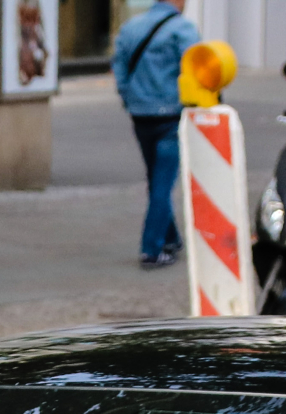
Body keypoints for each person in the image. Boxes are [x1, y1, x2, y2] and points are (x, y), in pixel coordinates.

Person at [113, 0, 199, 269]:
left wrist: (129, 99)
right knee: (162, 183)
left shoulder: (130, 27)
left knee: (155, 178)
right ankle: (151, 249)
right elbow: (196, 70)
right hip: (171, 116)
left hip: (140, 115)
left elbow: (119, 69)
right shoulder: (182, 29)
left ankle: (170, 238)